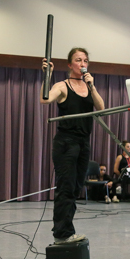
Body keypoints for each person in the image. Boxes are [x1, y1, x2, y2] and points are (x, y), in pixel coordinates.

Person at [40, 47, 105, 244]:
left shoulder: (89, 86)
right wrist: (47, 76)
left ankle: (66, 230)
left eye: (85, 60)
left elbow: (101, 108)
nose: (83, 64)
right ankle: (62, 234)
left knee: (76, 187)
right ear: (70, 64)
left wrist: (92, 86)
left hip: (84, 142)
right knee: (66, 187)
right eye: (78, 60)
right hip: (66, 142)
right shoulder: (62, 85)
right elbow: (45, 99)